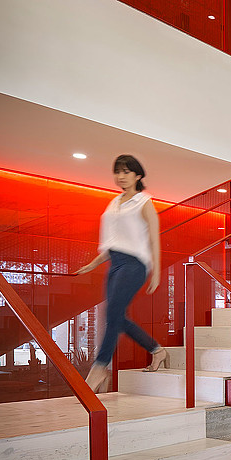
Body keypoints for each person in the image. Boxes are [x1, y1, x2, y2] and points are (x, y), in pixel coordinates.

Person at [75, 155, 168, 393]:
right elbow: (111, 244)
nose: (121, 176)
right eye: (118, 172)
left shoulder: (143, 202)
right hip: (114, 263)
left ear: (138, 175)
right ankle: (157, 350)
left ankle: (99, 369)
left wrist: (156, 271)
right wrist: (92, 265)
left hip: (134, 264)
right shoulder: (114, 203)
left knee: (113, 313)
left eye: (126, 172)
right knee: (117, 317)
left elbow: (153, 239)